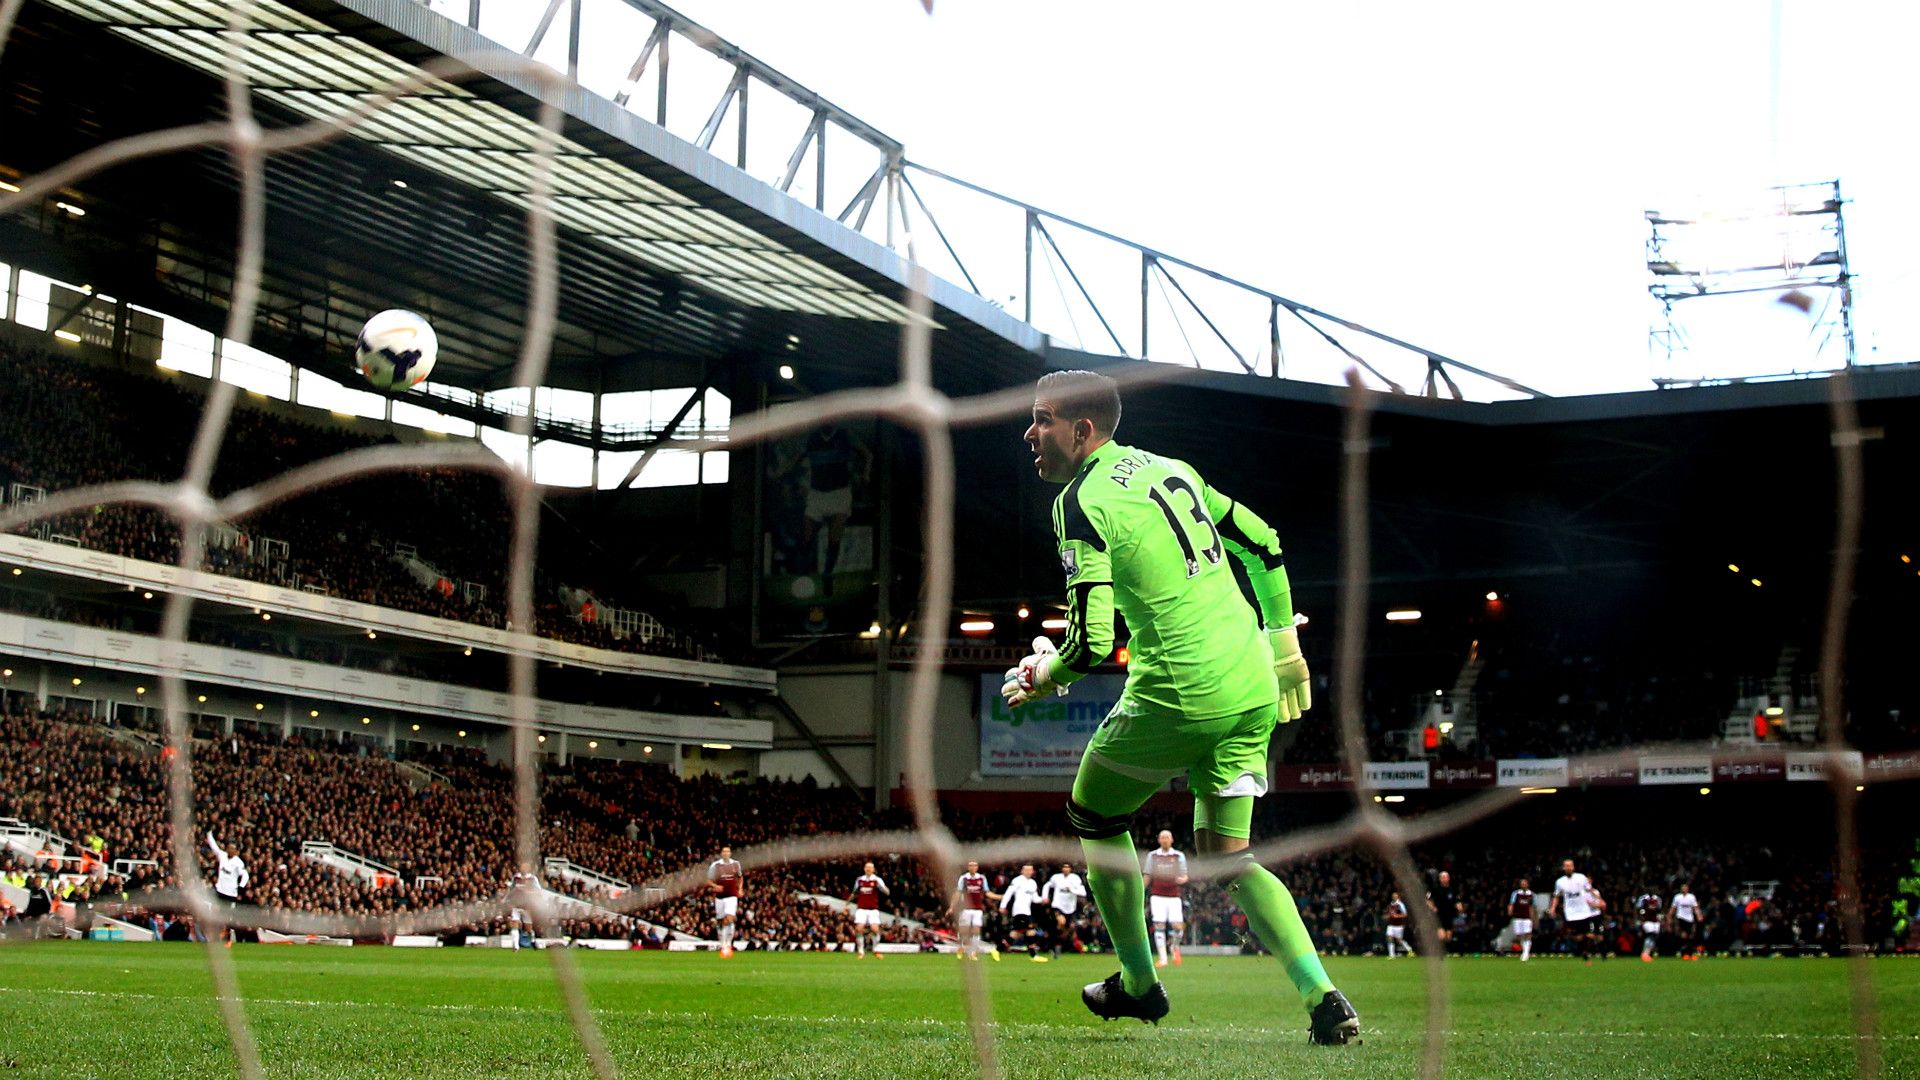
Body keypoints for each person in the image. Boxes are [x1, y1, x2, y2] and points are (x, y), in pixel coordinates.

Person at [1003, 370, 1356, 1043]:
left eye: (1042, 419)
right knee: (1228, 857)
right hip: (1252, 682)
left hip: (1181, 692)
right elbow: (1265, 541)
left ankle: (1138, 984)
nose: (1030, 432)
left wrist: (1044, 674)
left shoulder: (1080, 502)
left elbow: (1091, 643)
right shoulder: (1173, 469)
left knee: (1093, 815)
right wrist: (1283, 641)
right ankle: (1323, 996)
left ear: (1082, 432)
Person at [1142, 831, 1189, 968]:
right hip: (1157, 896)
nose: (1165, 840)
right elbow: (1148, 875)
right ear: (1159, 840)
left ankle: (1174, 947)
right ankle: (1163, 959)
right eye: (1162, 837)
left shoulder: (1178, 856)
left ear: (1172, 839)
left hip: (1173, 896)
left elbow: (1184, 874)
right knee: (1159, 925)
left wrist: (1182, 879)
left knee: (1178, 927)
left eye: (1167, 837)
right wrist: (1141, 890)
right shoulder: (1153, 856)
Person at [1549, 858, 1600, 963]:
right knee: (1577, 936)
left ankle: (1586, 952)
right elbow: (1556, 896)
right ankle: (1583, 950)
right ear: (1563, 868)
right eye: (1566, 866)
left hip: (1584, 911)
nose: (1568, 868)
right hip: (1571, 913)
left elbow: (1589, 889)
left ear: (1573, 867)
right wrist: (1553, 908)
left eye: (1570, 866)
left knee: (1588, 934)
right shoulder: (1559, 882)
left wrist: (1599, 900)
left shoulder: (1581, 877)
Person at [205, 831, 249, 947]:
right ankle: (215, 937)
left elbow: (245, 875)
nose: (230, 850)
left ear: (236, 851)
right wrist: (209, 835)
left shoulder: (238, 863)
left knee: (228, 917)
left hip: (231, 894)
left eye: (232, 849)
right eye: (229, 848)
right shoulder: (223, 856)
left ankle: (228, 940)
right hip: (220, 891)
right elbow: (214, 847)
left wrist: (241, 887)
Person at [952, 860, 1000, 961]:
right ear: (968, 867)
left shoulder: (982, 878)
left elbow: (987, 892)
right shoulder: (964, 878)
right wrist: (952, 906)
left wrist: (999, 897)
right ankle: (960, 947)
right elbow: (958, 893)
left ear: (977, 867)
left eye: (974, 866)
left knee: (976, 930)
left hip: (977, 909)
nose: (972, 867)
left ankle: (973, 952)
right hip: (966, 909)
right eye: (970, 866)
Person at [1041, 861, 1088, 959]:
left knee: (1064, 931)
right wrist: (1044, 896)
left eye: (1068, 867)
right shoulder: (1056, 878)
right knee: (1061, 922)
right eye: (1064, 867)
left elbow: (1083, 892)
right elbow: (1047, 885)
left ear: (1071, 869)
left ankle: (1055, 947)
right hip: (1057, 906)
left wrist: (1072, 890)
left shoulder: (1075, 878)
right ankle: (1054, 946)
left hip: (1070, 908)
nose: (1066, 869)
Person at [998, 864, 1043, 960]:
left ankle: (998, 950)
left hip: (1027, 911)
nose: (1028, 872)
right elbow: (1008, 893)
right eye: (1026, 870)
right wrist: (1002, 906)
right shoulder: (1017, 881)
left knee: (1016, 934)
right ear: (1022, 871)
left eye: (1030, 870)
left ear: (1032, 871)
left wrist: (1042, 900)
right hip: (1019, 910)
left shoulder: (1032, 883)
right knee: (1030, 931)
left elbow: (1034, 899)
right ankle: (1033, 955)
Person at [707, 845, 743, 958]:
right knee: (721, 921)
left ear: (730, 853)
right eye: (724, 851)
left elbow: (740, 877)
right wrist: (715, 886)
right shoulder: (715, 865)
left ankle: (728, 944)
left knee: (730, 918)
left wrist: (740, 889)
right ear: (721, 853)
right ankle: (722, 944)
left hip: (732, 896)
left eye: (728, 851)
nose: (726, 853)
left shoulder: (736, 864)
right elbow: (708, 880)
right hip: (720, 897)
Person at [848, 861, 890, 959]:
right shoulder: (859, 880)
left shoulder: (877, 880)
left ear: (873, 869)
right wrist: (847, 904)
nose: (868, 869)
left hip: (873, 909)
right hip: (861, 908)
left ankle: (876, 950)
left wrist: (884, 889)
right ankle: (861, 951)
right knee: (859, 928)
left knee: (875, 929)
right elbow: (854, 892)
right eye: (867, 867)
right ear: (864, 869)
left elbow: (886, 891)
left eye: (870, 867)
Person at [1427, 870, 1458, 953]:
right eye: (1442, 877)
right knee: (1441, 936)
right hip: (1438, 915)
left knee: (1448, 937)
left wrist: (1459, 906)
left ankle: (1443, 951)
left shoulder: (1452, 890)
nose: (1444, 879)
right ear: (1440, 879)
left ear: (1449, 878)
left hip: (1449, 915)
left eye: (1446, 877)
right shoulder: (1435, 889)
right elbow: (1428, 900)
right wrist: (1433, 908)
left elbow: (1457, 901)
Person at [1670, 882, 1702, 959]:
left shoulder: (1691, 897)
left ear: (1688, 888)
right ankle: (1684, 953)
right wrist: (1669, 916)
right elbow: (1673, 908)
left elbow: (1695, 907)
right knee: (1683, 935)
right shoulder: (1677, 897)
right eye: (1682, 887)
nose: (1684, 889)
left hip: (1689, 919)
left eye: (1685, 887)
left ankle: (1689, 953)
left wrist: (1699, 916)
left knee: (1690, 936)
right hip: (1680, 918)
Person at [1508, 878, 1536, 962]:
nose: (1523, 885)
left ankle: (1526, 953)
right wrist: (1510, 910)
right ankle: (1525, 951)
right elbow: (1511, 903)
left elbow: (1532, 907)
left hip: (1527, 917)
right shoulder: (1515, 893)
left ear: (1528, 884)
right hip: (1518, 917)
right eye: (1522, 883)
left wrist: (1533, 918)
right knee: (1519, 935)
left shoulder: (1532, 894)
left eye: (1525, 883)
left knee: (1527, 934)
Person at [1635, 889, 1665, 962]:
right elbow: (1638, 909)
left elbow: (1660, 910)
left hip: (1655, 921)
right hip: (1647, 920)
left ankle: (1648, 953)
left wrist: (1661, 919)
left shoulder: (1658, 898)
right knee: (1650, 935)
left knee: (1654, 937)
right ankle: (1645, 953)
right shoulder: (1643, 898)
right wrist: (1640, 920)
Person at [1384, 892, 1413, 958]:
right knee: (1389, 937)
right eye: (1393, 896)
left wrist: (1397, 916)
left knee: (1399, 940)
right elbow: (1390, 914)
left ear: (1398, 897)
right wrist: (1387, 916)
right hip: (1391, 925)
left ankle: (1410, 950)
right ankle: (1391, 955)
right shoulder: (1390, 904)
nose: (1394, 897)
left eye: (1396, 896)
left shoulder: (1400, 904)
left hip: (1398, 925)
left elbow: (1405, 914)